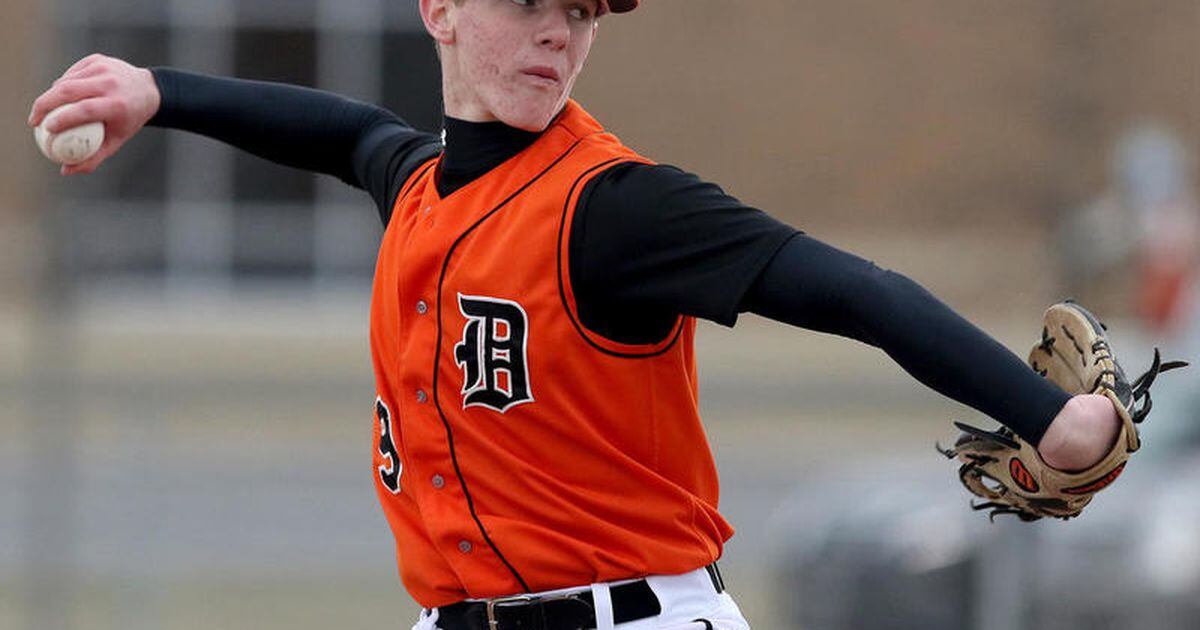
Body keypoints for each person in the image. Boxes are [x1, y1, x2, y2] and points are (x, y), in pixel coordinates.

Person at [28, 1, 1128, 628]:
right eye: (530, 4)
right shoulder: (414, 185)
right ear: (442, 10)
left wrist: (1046, 412)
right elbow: (339, 128)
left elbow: (850, 290)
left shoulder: (618, 207)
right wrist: (159, 90)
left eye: (582, 10)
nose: (558, 32)